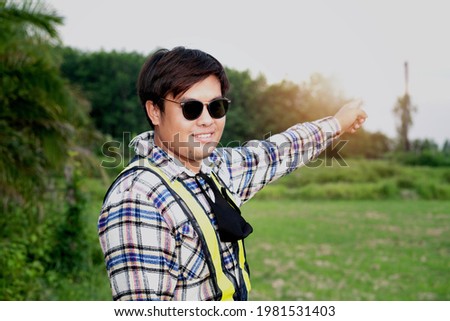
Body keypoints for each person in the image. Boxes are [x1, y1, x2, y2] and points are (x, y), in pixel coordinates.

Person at [98, 46, 367, 301]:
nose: (207, 120)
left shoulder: (213, 168)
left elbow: (279, 151)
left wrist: (338, 122)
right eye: (190, 108)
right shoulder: (138, 198)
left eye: (216, 107)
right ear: (154, 111)